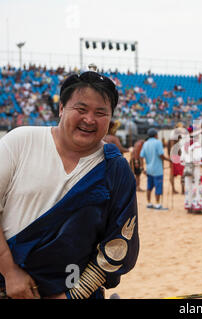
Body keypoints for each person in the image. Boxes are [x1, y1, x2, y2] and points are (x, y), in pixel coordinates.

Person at [0, 68, 139, 299]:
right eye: (81, 109)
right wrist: (10, 272)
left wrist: (72, 295)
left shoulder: (116, 169)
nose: (89, 119)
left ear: (111, 118)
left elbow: (118, 245)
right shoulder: (20, 142)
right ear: (62, 108)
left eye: (100, 112)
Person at [140, 128, 171, 210]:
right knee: (158, 187)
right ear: (155, 135)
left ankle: (149, 203)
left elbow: (141, 156)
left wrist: (142, 168)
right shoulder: (158, 142)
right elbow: (161, 155)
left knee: (149, 187)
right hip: (157, 170)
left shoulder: (145, 143)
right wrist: (169, 160)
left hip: (149, 169)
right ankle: (157, 205)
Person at [180, 125, 202, 214]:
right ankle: (197, 207)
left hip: (187, 168)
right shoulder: (197, 145)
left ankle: (189, 206)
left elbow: (182, 159)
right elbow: (199, 159)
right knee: (197, 186)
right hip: (195, 169)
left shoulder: (184, 144)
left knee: (188, 186)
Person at [168, 123, 186, 194]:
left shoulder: (174, 135)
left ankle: (175, 189)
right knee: (181, 174)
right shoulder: (175, 136)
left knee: (173, 174)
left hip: (174, 157)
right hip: (177, 157)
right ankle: (181, 190)